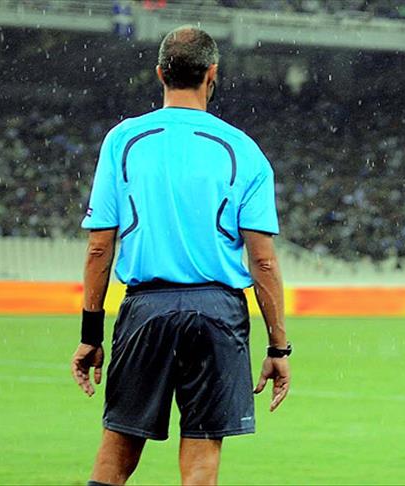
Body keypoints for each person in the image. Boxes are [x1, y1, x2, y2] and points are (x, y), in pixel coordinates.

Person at [70, 26, 292, 486]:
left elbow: (99, 246)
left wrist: (91, 334)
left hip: (146, 308)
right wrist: (277, 347)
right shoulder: (243, 150)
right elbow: (264, 262)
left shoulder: (123, 140)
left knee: (116, 452)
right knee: (202, 458)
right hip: (217, 313)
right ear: (212, 74)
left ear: (160, 74)